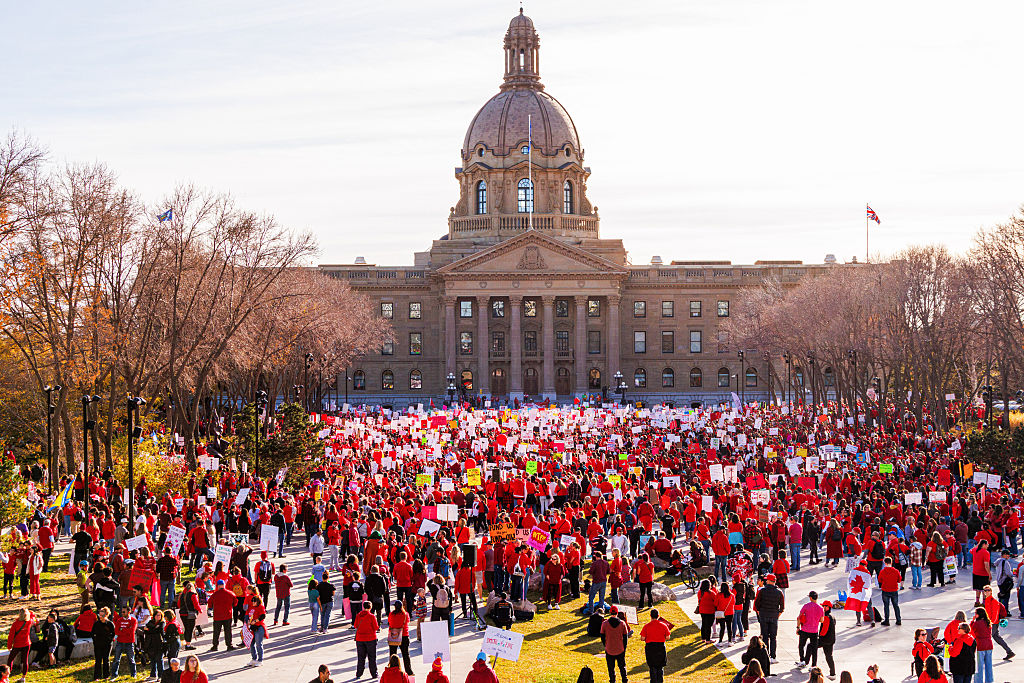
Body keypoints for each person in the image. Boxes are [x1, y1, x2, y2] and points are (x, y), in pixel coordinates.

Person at [753, 573, 784, 663]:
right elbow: (782, 607)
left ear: (769, 581)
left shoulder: (762, 591)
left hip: (764, 615)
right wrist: (777, 615)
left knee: (765, 636)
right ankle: (773, 656)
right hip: (774, 616)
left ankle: (765, 656)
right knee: (773, 637)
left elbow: (757, 604)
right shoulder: (779, 592)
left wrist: (759, 613)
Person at [980, 585, 1013, 661]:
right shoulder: (987, 600)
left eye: (988, 590)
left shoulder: (993, 601)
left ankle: (986, 655)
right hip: (990, 622)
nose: (986, 592)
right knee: (996, 637)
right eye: (985, 590)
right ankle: (1009, 651)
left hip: (993, 623)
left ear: (991, 591)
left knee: (987, 638)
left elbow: (995, 614)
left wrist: (990, 623)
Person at [639, 608, 672, 683]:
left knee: (652, 667)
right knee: (660, 667)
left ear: (650, 616)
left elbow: (642, 638)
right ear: (658, 616)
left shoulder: (646, 626)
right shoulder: (663, 625)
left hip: (650, 648)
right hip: (660, 647)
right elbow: (668, 637)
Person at [600, 610, 631, 683]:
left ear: (610, 613)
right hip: (620, 648)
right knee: (622, 666)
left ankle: (612, 680)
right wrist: (624, 648)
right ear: (617, 613)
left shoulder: (605, 623)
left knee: (611, 668)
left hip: (609, 648)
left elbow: (602, 636)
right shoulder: (622, 623)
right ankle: (624, 680)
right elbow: (625, 637)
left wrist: (606, 644)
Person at [207, 579, 238, 651]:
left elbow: (210, 604)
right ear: (224, 585)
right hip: (228, 615)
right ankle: (229, 645)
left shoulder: (214, 595)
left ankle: (215, 646)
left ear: (217, 586)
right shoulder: (230, 593)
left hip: (217, 616)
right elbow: (235, 603)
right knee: (228, 631)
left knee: (216, 632)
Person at [796, 591, 824, 669]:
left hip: (805, 629)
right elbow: (822, 620)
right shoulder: (820, 608)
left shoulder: (806, 606)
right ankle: (813, 665)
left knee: (801, 645)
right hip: (814, 631)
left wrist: (798, 627)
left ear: (810, 598)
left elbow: (799, 617)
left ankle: (802, 660)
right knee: (814, 649)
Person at [110, 605, 138, 679]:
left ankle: (133, 674)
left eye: (123, 612)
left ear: (129, 612)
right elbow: (117, 631)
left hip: (129, 642)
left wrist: (122, 630)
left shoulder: (133, 620)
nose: (122, 613)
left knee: (131, 659)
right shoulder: (119, 620)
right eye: (121, 611)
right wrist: (126, 630)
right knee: (116, 659)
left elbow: (132, 631)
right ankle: (114, 675)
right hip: (120, 642)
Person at [355, 600, 380, 680]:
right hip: (370, 638)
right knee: (372, 657)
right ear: (370, 607)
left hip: (360, 639)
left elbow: (355, 625)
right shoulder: (371, 616)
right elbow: (376, 627)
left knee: (361, 657)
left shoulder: (359, 615)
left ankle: (359, 673)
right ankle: (374, 674)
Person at [388, 599, 413, 675]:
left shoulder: (391, 614)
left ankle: (392, 670)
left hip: (393, 635)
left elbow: (390, 622)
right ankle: (409, 671)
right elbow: (407, 622)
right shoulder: (405, 614)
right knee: (405, 655)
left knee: (392, 654)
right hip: (404, 635)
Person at [90, 605, 115, 681]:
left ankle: (106, 675)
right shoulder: (96, 624)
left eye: (102, 615)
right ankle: (97, 676)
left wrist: (109, 640)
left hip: (107, 644)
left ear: (106, 615)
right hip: (98, 644)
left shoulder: (110, 624)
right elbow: (92, 633)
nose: (100, 617)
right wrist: (95, 641)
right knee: (98, 660)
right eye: (99, 615)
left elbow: (113, 633)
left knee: (106, 659)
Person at [970, 606, 993, 683]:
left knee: (979, 666)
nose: (975, 615)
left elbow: (970, 631)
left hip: (980, 645)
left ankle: (978, 681)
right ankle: (989, 680)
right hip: (989, 644)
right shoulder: (988, 622)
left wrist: (972, 621)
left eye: (975, 613)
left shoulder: (977, 623)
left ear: (979, 614)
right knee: (989, 665)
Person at [877, 557, 902, 626]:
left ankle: (887, 620)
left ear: (885, 563)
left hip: (885, 590)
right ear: (891, 562)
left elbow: (879, 580)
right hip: (894, 590)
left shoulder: (882, 571)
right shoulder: (896, 571)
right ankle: (898, 620)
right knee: (896, 605)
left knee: (886, 606)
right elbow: (899, 580)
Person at [246, 594, 268, 667]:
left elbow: (263, 616)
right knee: (251, 644)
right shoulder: (251, 607)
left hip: (259, 627)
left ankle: (260, 660)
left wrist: (255, 621)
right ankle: (254, 659)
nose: (253, 603)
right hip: (252, 627)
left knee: (259, 644)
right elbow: (247, 615)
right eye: (252, 601)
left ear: (257, 601)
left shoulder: (260, 607)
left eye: (254, 602)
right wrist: (247, 621)